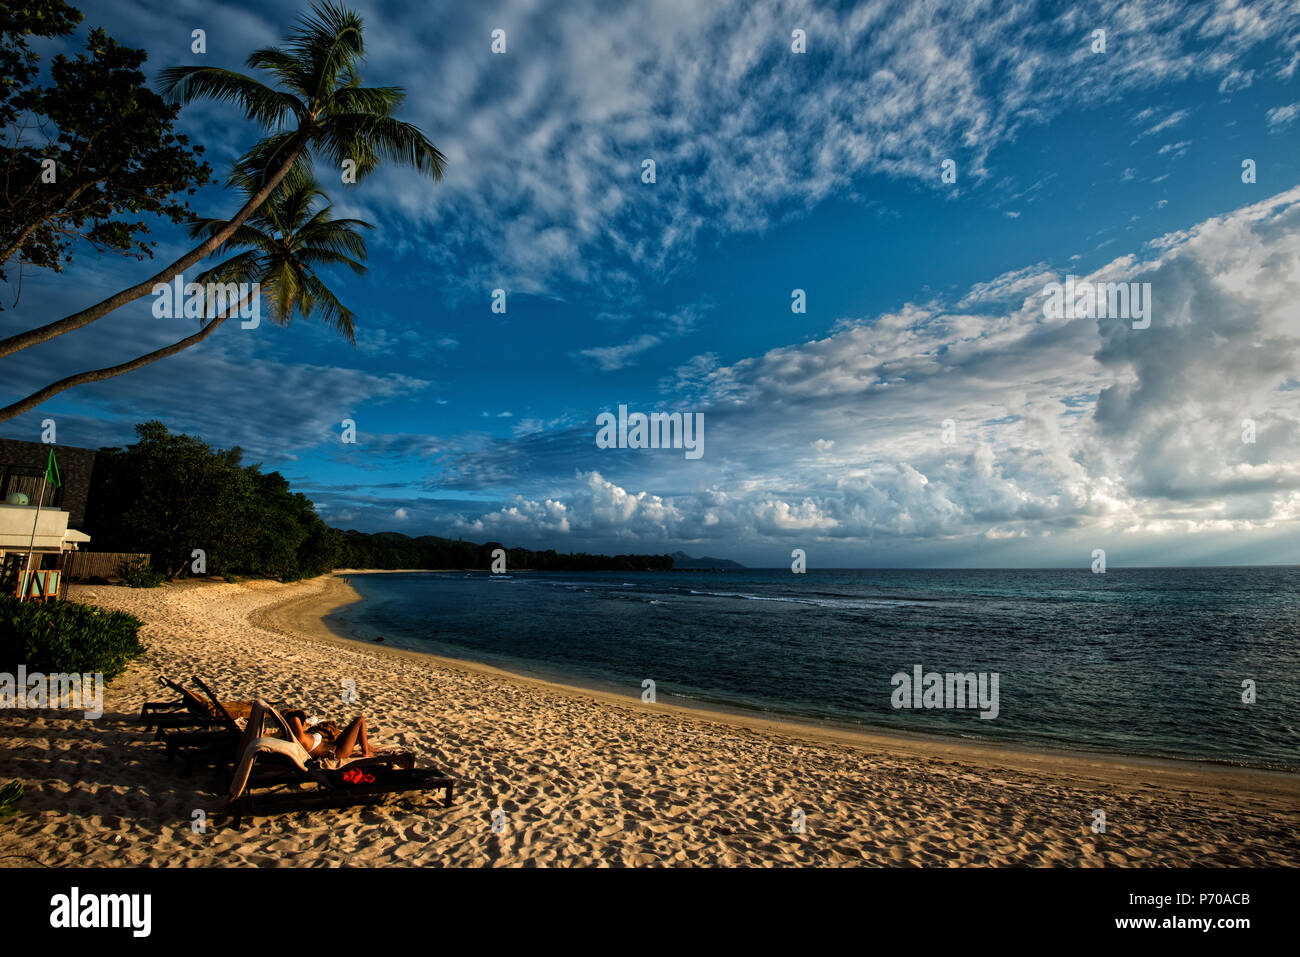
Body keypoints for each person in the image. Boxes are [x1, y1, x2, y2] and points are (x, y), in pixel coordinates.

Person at [283, 710, 375, 761]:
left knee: (354, 730)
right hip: (339, 752)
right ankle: (366, 753)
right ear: (301, 724)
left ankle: (367, 747)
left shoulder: (295, 736)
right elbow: (295, 719)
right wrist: (295, 717)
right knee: (360, 720)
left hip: (335, 745)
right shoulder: (301, 738)